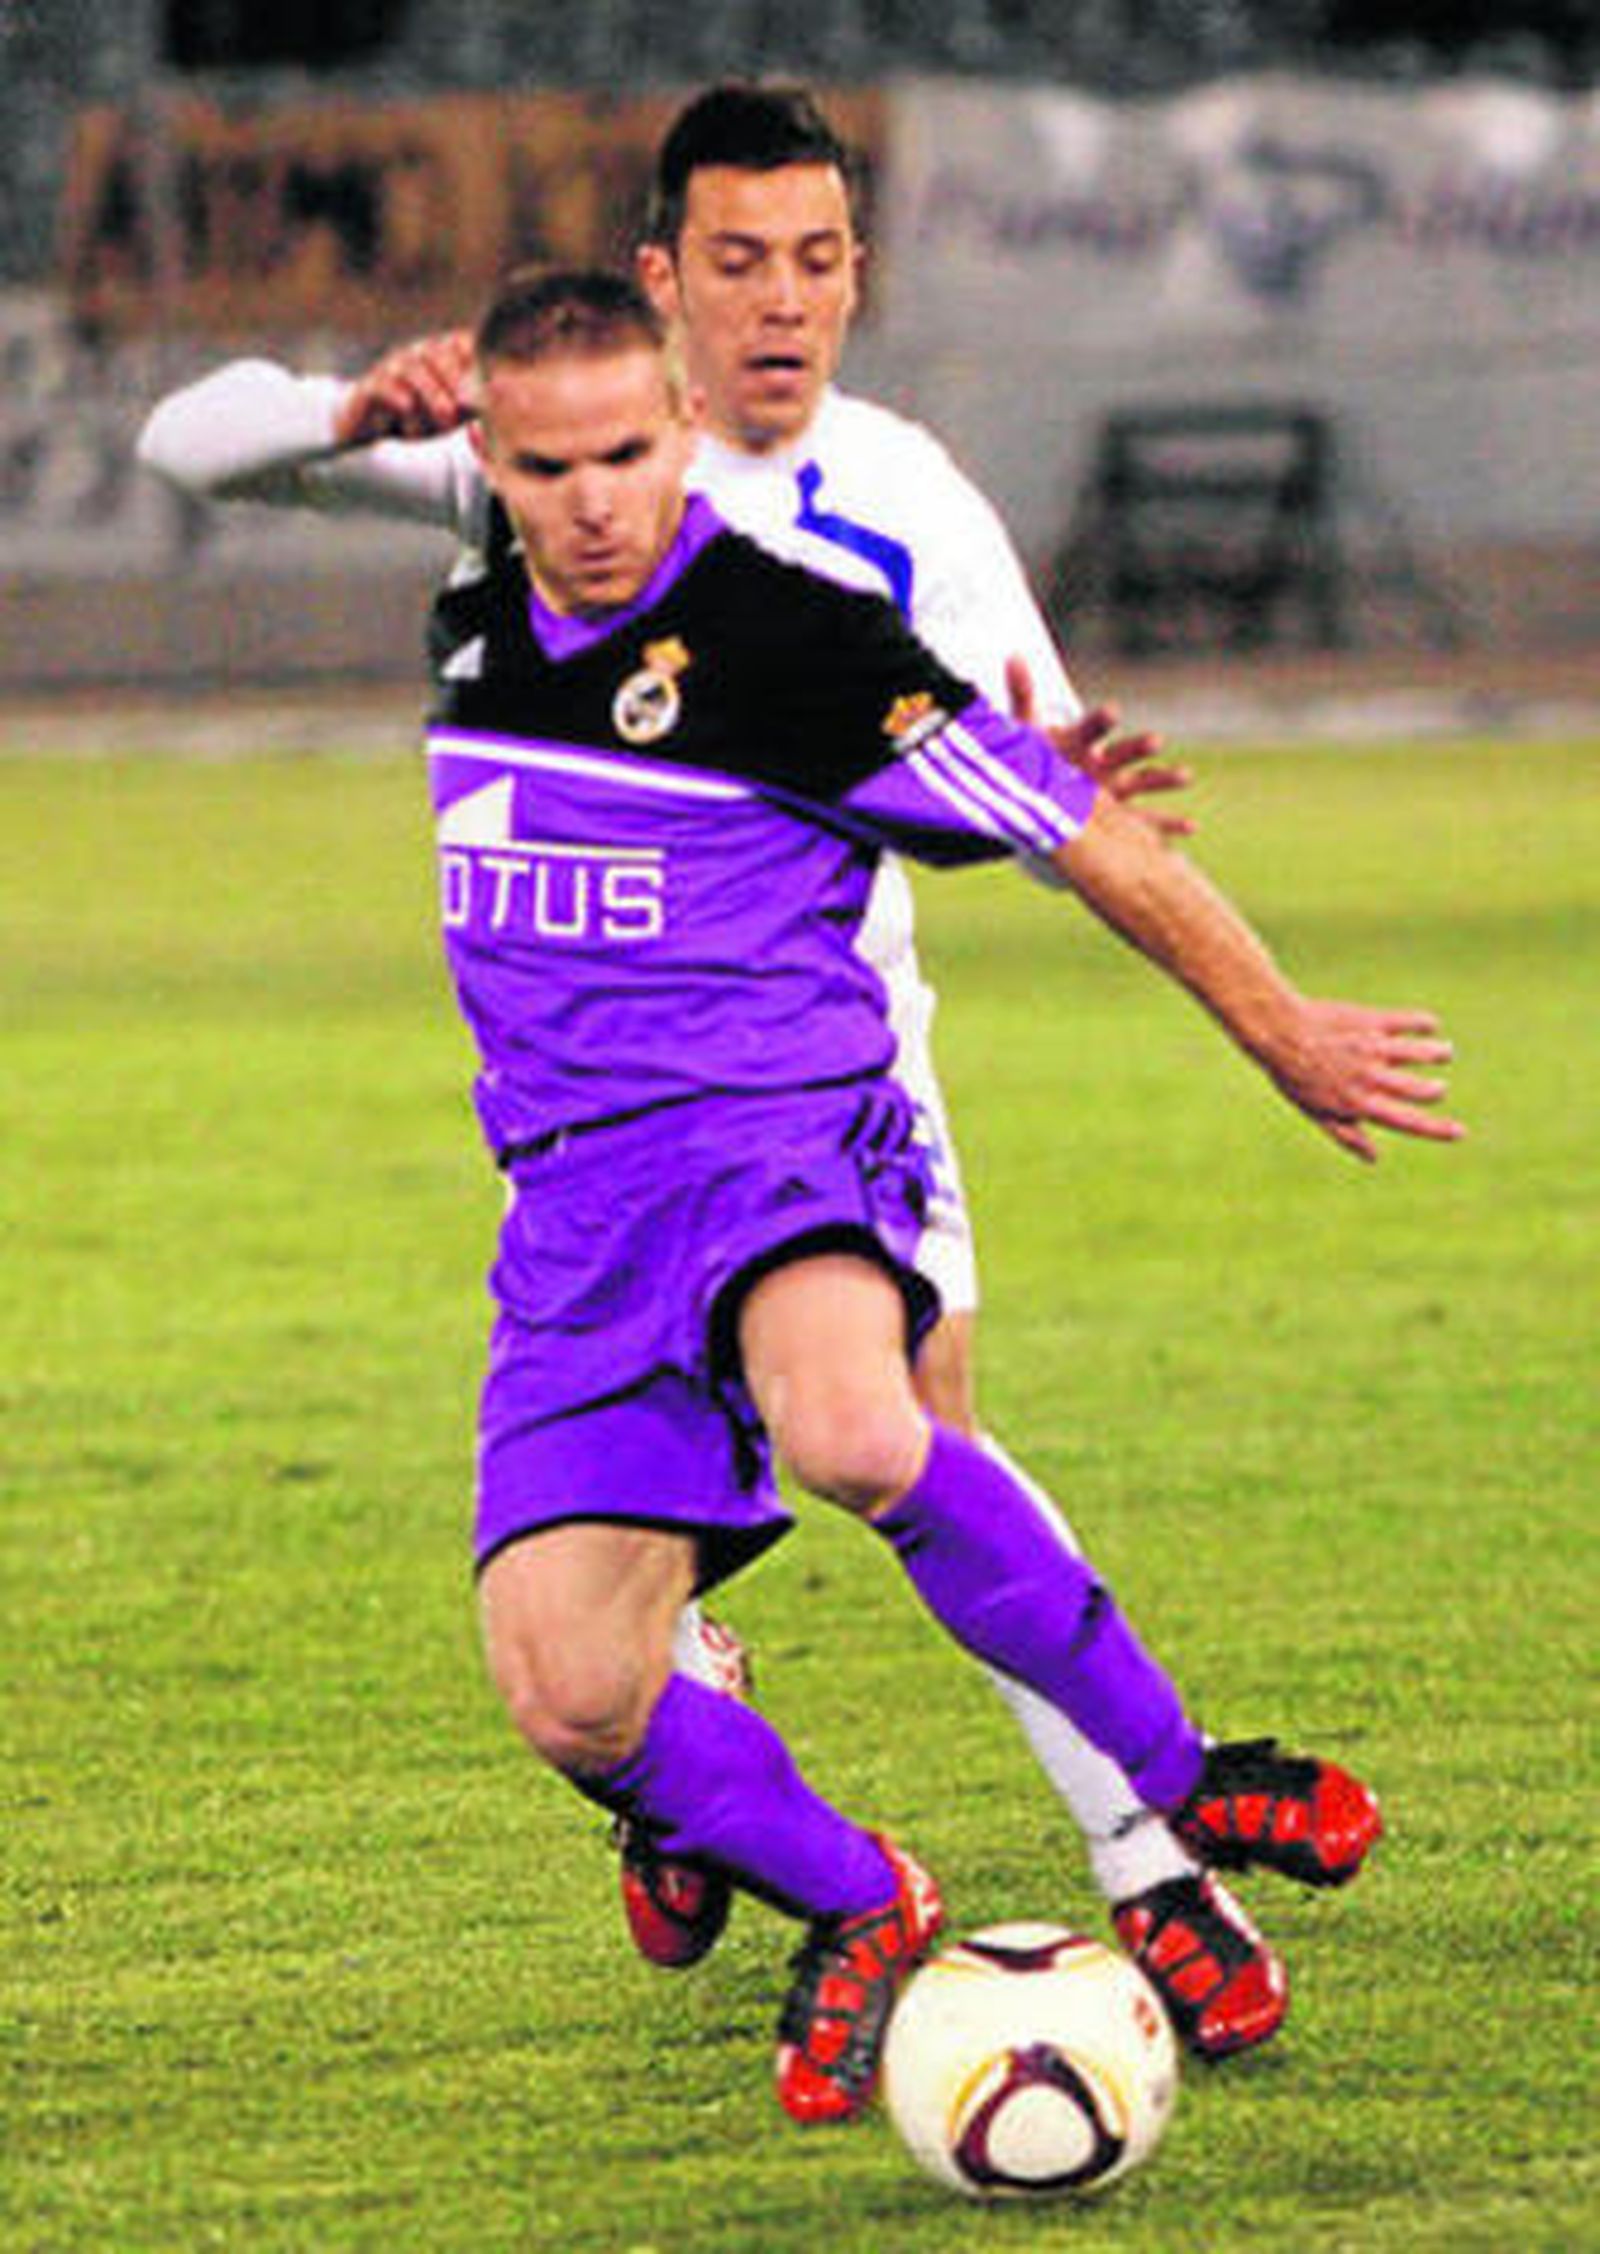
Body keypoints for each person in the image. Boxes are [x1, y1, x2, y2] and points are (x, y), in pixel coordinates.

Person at [135, 86, 1373, 2063]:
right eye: (738, 258)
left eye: (816, 257)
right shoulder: (501, 496)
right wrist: (358, 405)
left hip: (815, 1084)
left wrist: (1132, 867)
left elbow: (1039, 772)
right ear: (662, 279)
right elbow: (191, 444)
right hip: (582, 1167)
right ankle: (780, 1800)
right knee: (570, 1677)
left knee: (876, 1426)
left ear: (850, 278)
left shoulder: (873, 532)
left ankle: (1157, 1838)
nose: (781, 297)